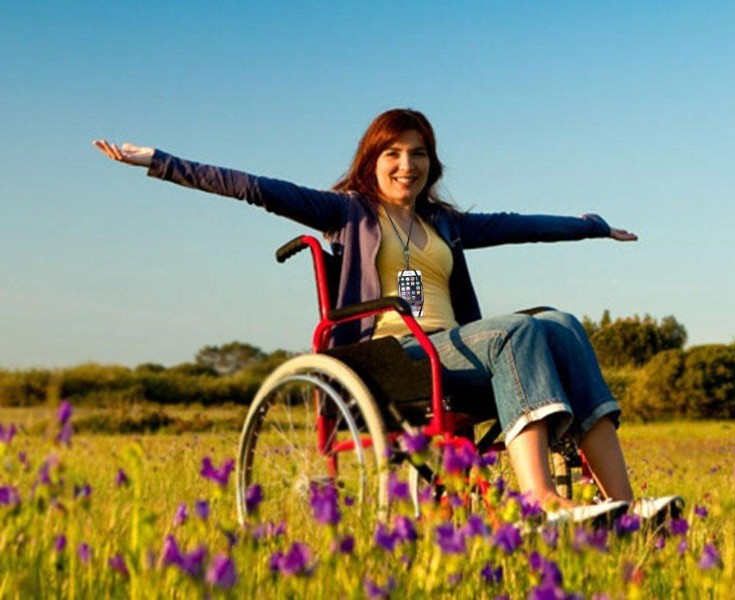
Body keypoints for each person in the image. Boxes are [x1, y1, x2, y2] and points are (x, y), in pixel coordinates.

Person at [93, 108, 681, 524]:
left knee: (563, 323)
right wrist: (159, 161)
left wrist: (591, 227)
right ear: (372, 161)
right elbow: (253, 187)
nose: (407, 165)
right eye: (394, 153)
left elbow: (521, 225)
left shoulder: (445, 223)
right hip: (391, 357)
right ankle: (539, 501)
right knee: (520, 330)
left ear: (433, 163)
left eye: (419, 154)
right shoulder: (347, 212)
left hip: (454, 350)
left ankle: (625, 507)